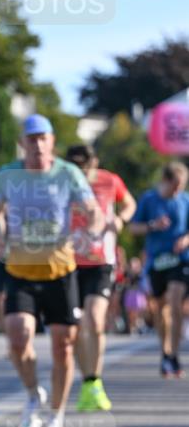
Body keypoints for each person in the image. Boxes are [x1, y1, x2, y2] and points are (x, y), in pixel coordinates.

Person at [0, 115, 102, 427]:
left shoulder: (67, 173)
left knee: (63, 347)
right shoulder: (7, 175)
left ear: (52, 141)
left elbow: (93, 211)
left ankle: (57, 416)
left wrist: (91, 232)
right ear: (22, 143)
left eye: (43, 138)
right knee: (17, 335)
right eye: (31, 139)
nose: (37, 145)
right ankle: (32, 393)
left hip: (60, 271)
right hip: (20, 270)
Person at [66, 144, 136, 410]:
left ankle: (94, 381)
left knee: (95, 320)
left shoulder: (109, 180)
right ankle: (87, 381)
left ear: (94, 163)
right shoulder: (62, 182)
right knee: (74, 327)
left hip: (100, 261)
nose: (80, 174)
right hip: (68, 262)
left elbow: (130, 203)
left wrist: (121, 219)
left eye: (84, 169)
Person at [128, 161, 189, 377]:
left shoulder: (185, 200)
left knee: (175, 300)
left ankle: (175, 353)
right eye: (175, 185)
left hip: (180, 260)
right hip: (156, 261)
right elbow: (133, 227)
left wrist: (185, 239)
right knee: (161, 309)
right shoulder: (149, 199)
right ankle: (166, 352)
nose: (178, 190)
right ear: (165, 181)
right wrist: (152, 225)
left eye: (182, 185)